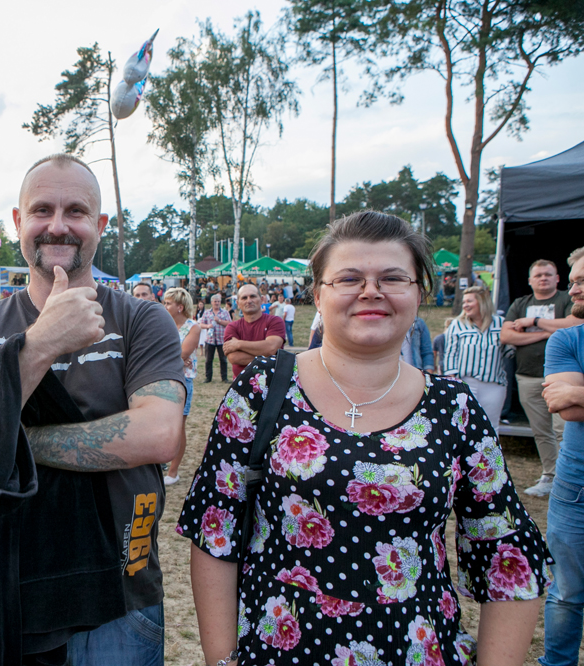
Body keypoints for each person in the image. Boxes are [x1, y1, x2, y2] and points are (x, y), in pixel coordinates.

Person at [180, 210, 551, 666]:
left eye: (392, 278)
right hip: (277, 652)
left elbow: (506, 552)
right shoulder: (262, 388)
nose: (371, 291)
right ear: (318, 295)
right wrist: (222, 659)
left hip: (417, 651)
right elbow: (215, 529)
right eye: (349, 278)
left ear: (419, 294)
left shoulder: (454, 407)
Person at [0, 153, 185, 662]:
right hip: (13, 585)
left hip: (122, 592)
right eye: (42, 210)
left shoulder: (141, 320)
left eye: (76, 211)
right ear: (18, 221)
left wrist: (2, 439)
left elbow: (159, 434)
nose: (59, 225)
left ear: (100, 224)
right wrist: (43, 340)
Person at [501, 259, 580, 497]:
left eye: (548, 274)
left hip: (565, 381)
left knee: (564, 429)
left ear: (557, 278)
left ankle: (569, 479)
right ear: (530, 280)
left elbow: (575, 322)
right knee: (541, 432)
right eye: (538, 275)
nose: (543, 278)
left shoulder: (568, 299)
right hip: (527, 376)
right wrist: (547, 333)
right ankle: (549, 476)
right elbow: (506, 336)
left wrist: (533, 323)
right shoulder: (521, 303)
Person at [540, 246, 584, 666]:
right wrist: (573, 395)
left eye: (582, 280)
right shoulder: (567, 339)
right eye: (572, 281)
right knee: (567, 592)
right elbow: (566, 408)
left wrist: (580, 391)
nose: (573, 289)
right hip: (576, 488)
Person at [442, 286, 507, 428]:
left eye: (469, 301)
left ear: (482, 302)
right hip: (465, 383)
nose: (465, 305)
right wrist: (452, 383)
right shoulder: (458, 324)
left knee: (490, 426)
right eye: (464, 302)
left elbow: (509, 351)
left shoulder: (501, 323)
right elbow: (450, 354)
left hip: (493, 384)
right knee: (462, 425)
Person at [162, 287, 202, 487]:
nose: (164, 306)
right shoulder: (163, 324)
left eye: (168, 303)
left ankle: (173, 471)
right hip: (162, 378)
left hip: (182, 381)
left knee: (178, 427)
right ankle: (161, 461)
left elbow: (184, 353)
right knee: (160, 424)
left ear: (180, 307)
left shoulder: (193, 327)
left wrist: (173, 356)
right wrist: (175, 357)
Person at [222, 284, 285, 378]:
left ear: (261, 299)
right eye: (244, 298)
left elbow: (271, 348)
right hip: (241, 385)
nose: (249, 301)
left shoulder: (275, 321)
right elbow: (234, 357)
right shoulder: (232, 327)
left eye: (252, 296)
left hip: (273, 383)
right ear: (238, 303)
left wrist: (238, 344)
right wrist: (270, 357)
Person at [199, 294, 232, 383]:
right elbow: (201, 324)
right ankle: (208, 378)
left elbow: (229, 324)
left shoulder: (225, 312)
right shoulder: (207, 312)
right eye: (215, 301)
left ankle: (224, 378)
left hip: (221, 339)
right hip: (210, 340)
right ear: (211, 302)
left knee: (223, 360)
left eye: (218, 301)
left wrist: (219, 321)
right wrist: (207, 326)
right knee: (208, 360)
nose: (217, 303)